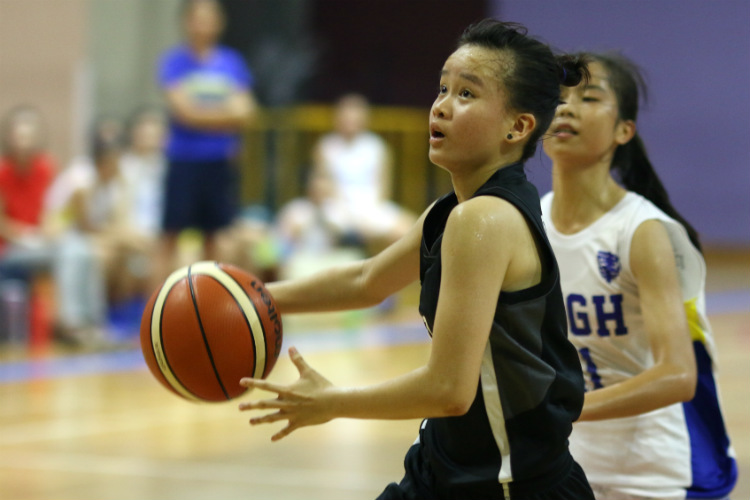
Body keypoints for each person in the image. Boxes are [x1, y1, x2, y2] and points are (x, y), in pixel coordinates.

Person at [239, 20, 595, 499]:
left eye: (467, 94)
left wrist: (332, 401)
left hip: (508, 485)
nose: (442, 105)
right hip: (442, 468)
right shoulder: (451, 212)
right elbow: (367, 280)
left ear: (518, 126)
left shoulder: (485, 220)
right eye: (443, 87)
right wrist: (249, 296)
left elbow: (448, 389)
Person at [541, 52, 737, 500]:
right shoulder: (527, 221)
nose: (567, 107)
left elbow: (678, 375)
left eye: (589, 97)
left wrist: (561, 411)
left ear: (623, 130)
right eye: (558, 98)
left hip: (653, 469)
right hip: (564, 458)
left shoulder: (643, 231)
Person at [155, 0, 257, 285]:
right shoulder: (174, 62)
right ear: (186, 22)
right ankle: (152, 311)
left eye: (210, 18)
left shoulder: (232, 62)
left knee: (216, 238)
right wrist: (226, 115)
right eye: (197, 18)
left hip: (219, 162)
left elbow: (247, 111)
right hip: (184, 160)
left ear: (220, 22)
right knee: (169, 236)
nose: (204, 24)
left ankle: (213, 306)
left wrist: (202, 115)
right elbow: (184, 113)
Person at [310, 93, 415, 254]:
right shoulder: (326, 147)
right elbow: (321, 186)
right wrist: (345, 210)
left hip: (371, 208)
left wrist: (366, 214)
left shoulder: (377, 147)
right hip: (337, 207)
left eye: (355, 116)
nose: (350, 121)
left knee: (412, 230)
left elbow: (384, 190)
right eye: (346, 116)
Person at [0, 105, 56, 342]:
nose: (24, 143)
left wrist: (47, 231)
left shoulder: (47, 168)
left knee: (77, 251)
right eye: (19, 137)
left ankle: (75, 324)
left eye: (29, 137)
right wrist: (25, 236)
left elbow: (53, 212)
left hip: (42, 244)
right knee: (64, 256)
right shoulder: (2, 172)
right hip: (10, 249)